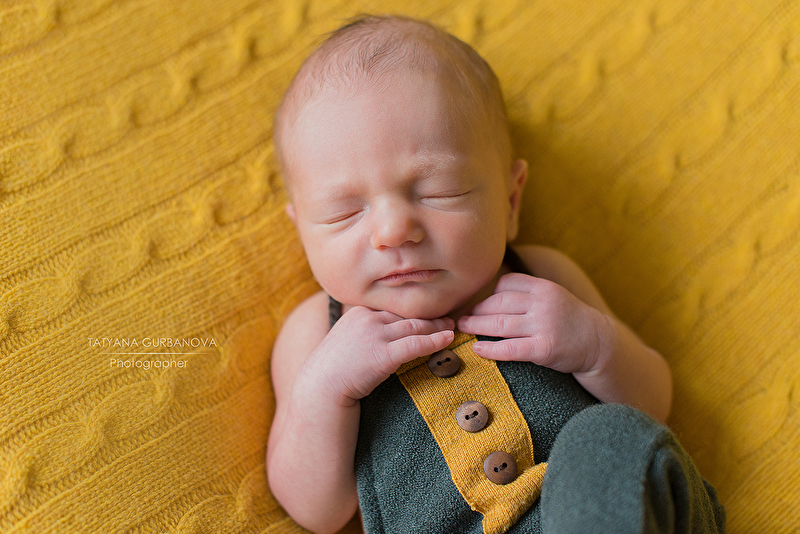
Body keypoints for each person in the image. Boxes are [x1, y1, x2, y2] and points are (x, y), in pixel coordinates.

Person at [266, 14, 725, 534]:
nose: (393, 231)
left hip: (617, 517)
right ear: (302, 230)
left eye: (439, 191)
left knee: (609, 436)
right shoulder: (314, 335)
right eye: (344, 213)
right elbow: (317, 512)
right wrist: (327, 389)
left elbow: (655, 404)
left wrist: (595, 346)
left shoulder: (544, 277)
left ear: (510, 201)